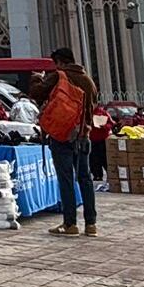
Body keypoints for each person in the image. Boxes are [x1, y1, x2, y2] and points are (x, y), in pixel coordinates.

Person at [30, 49, 99, 236]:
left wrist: (37, 79)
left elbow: (36, 93)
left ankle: (70, 224)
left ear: (59, 62)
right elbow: (93, 107)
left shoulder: (58, 77)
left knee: (66, 179)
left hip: (62, 136)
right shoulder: (88, 81)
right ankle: (91, 224)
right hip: (83, 135)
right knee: (85, 179)